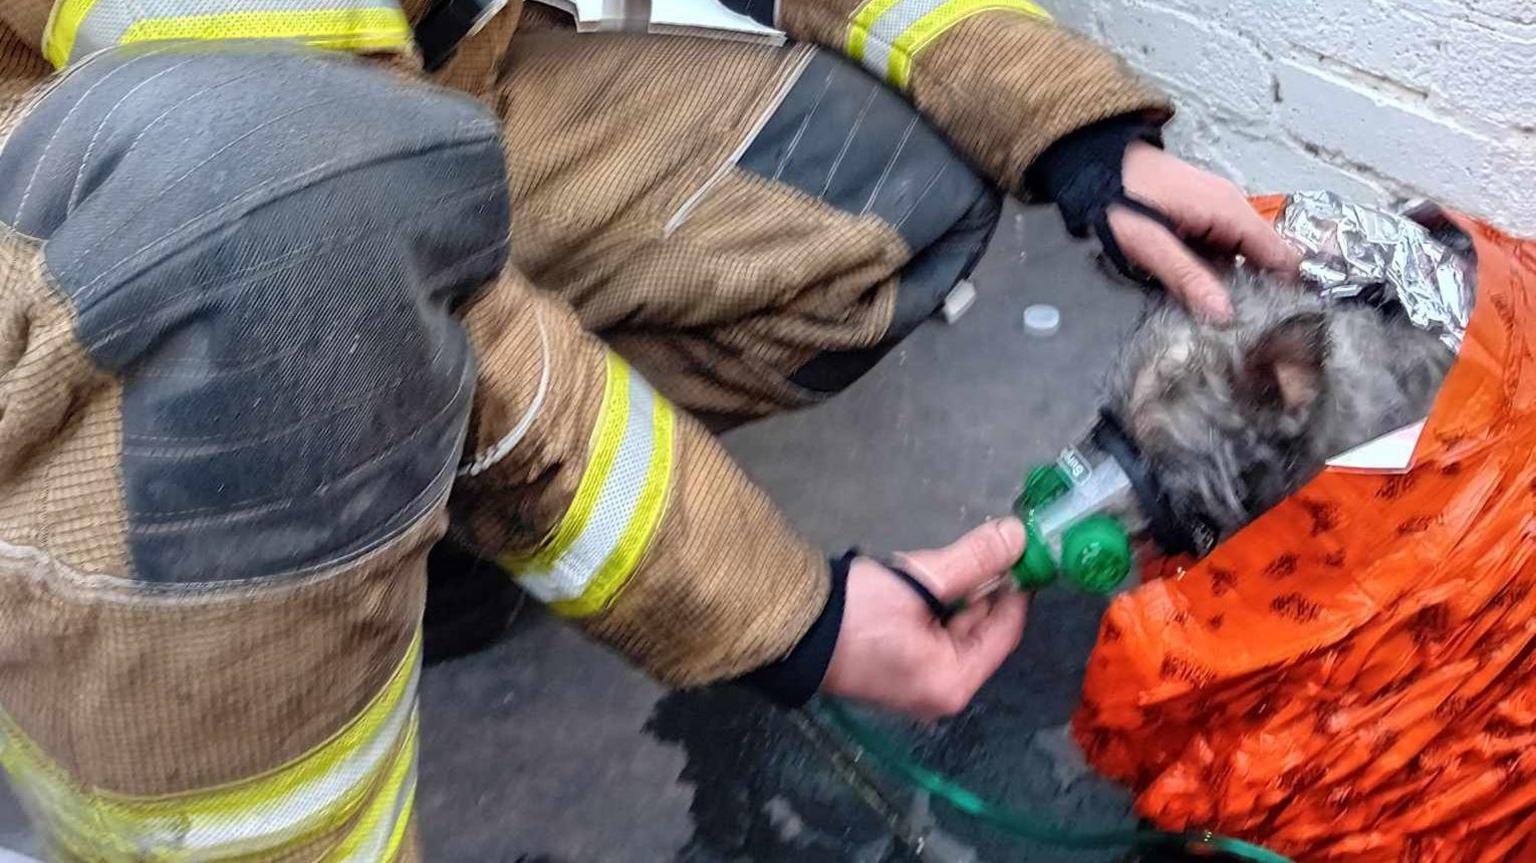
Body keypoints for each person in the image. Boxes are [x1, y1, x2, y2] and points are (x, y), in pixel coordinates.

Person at [0, 0, 1297, 856]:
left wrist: (1072, 134)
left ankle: (426, 539)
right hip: (99, 207)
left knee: (878, 198)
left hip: (397, 106)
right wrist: (785, 617)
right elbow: (311, 220)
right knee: (299, 299)